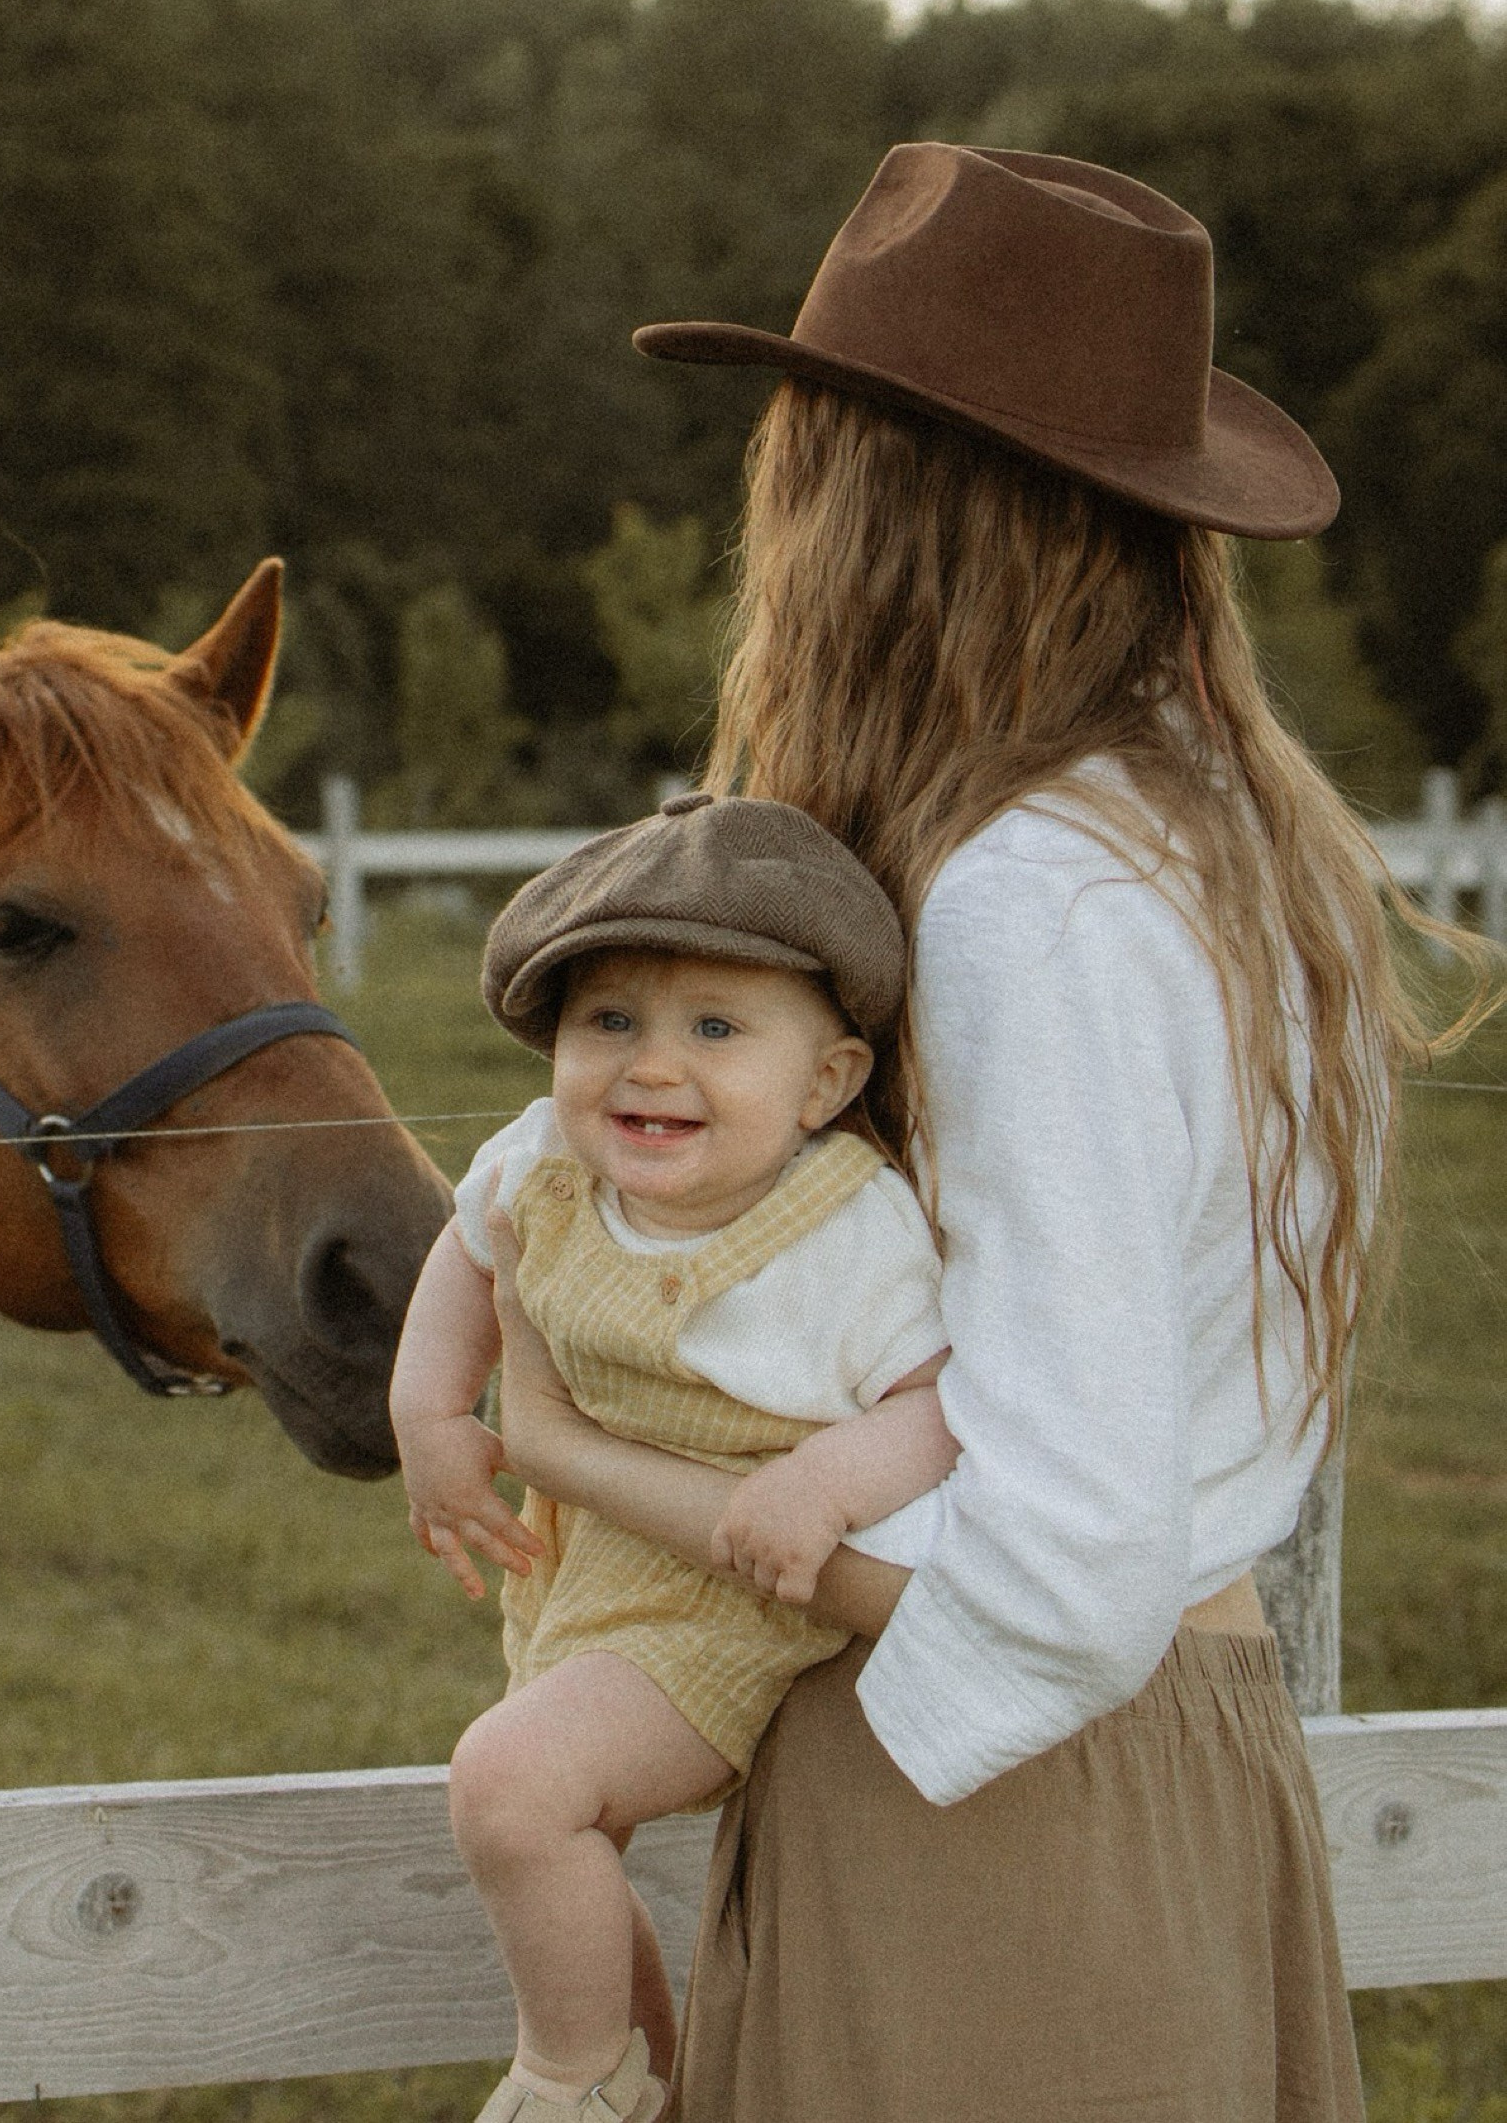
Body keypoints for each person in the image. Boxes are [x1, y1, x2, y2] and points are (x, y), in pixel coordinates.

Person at [469, 140, 1490, 2123]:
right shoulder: (1213, 838)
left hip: (1002, 1798)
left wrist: (591, 1458)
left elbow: (1062, 1560)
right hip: (1165, 1756)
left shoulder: (1030, 900)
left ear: (882, 504)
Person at [391, 795, 957, 2123]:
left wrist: (827, 1485)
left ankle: (573, 2073)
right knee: (565, 1829)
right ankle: (655, 2076)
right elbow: (465, 1258)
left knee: (514, 1786)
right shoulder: (542, 1161)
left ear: (826, 1082)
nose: (651, 1067)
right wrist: (429, 1416)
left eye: (715, 1028)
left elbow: (941, 1403)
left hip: (744, 1590)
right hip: (589, 1567)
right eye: (610, 1023)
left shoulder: (850, 1236)